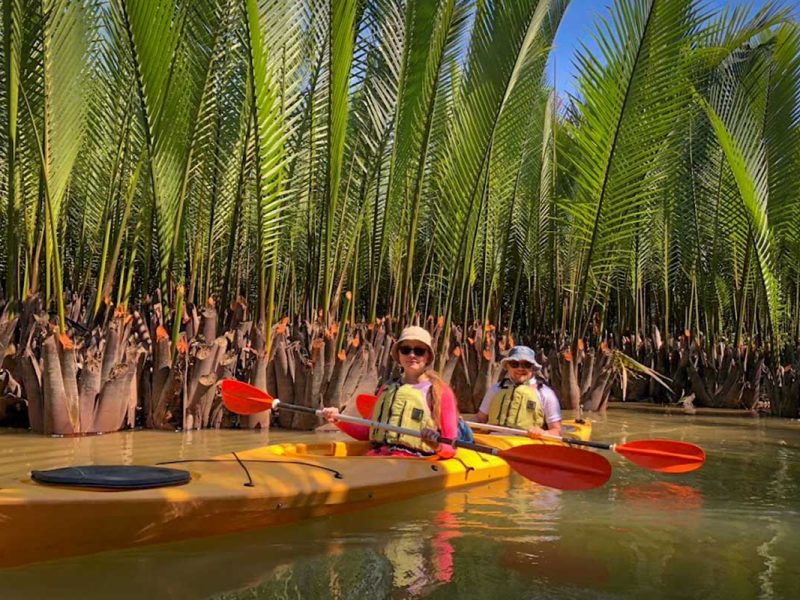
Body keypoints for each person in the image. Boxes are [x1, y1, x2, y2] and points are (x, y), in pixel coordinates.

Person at [322, 326, 459, 459]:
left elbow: (451, 448)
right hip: (379, 458)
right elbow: (367, 432)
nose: (412, 355)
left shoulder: (440, 392)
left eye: (419, 351)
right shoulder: (388, 388)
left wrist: (437, 446)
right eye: (405, 350)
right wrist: (338, 419)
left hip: (415, 462)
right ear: (399, 355)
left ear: (428, 356)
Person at [475, 345, 562, 437]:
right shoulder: (496, 389)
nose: (520, 368)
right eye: (514, 364)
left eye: (526, 365)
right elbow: (480, 420)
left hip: (526, 444)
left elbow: (557, 431)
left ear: (532, 368)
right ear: (507, 366)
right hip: (494, 440)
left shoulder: (545, 393)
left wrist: (543, 432)